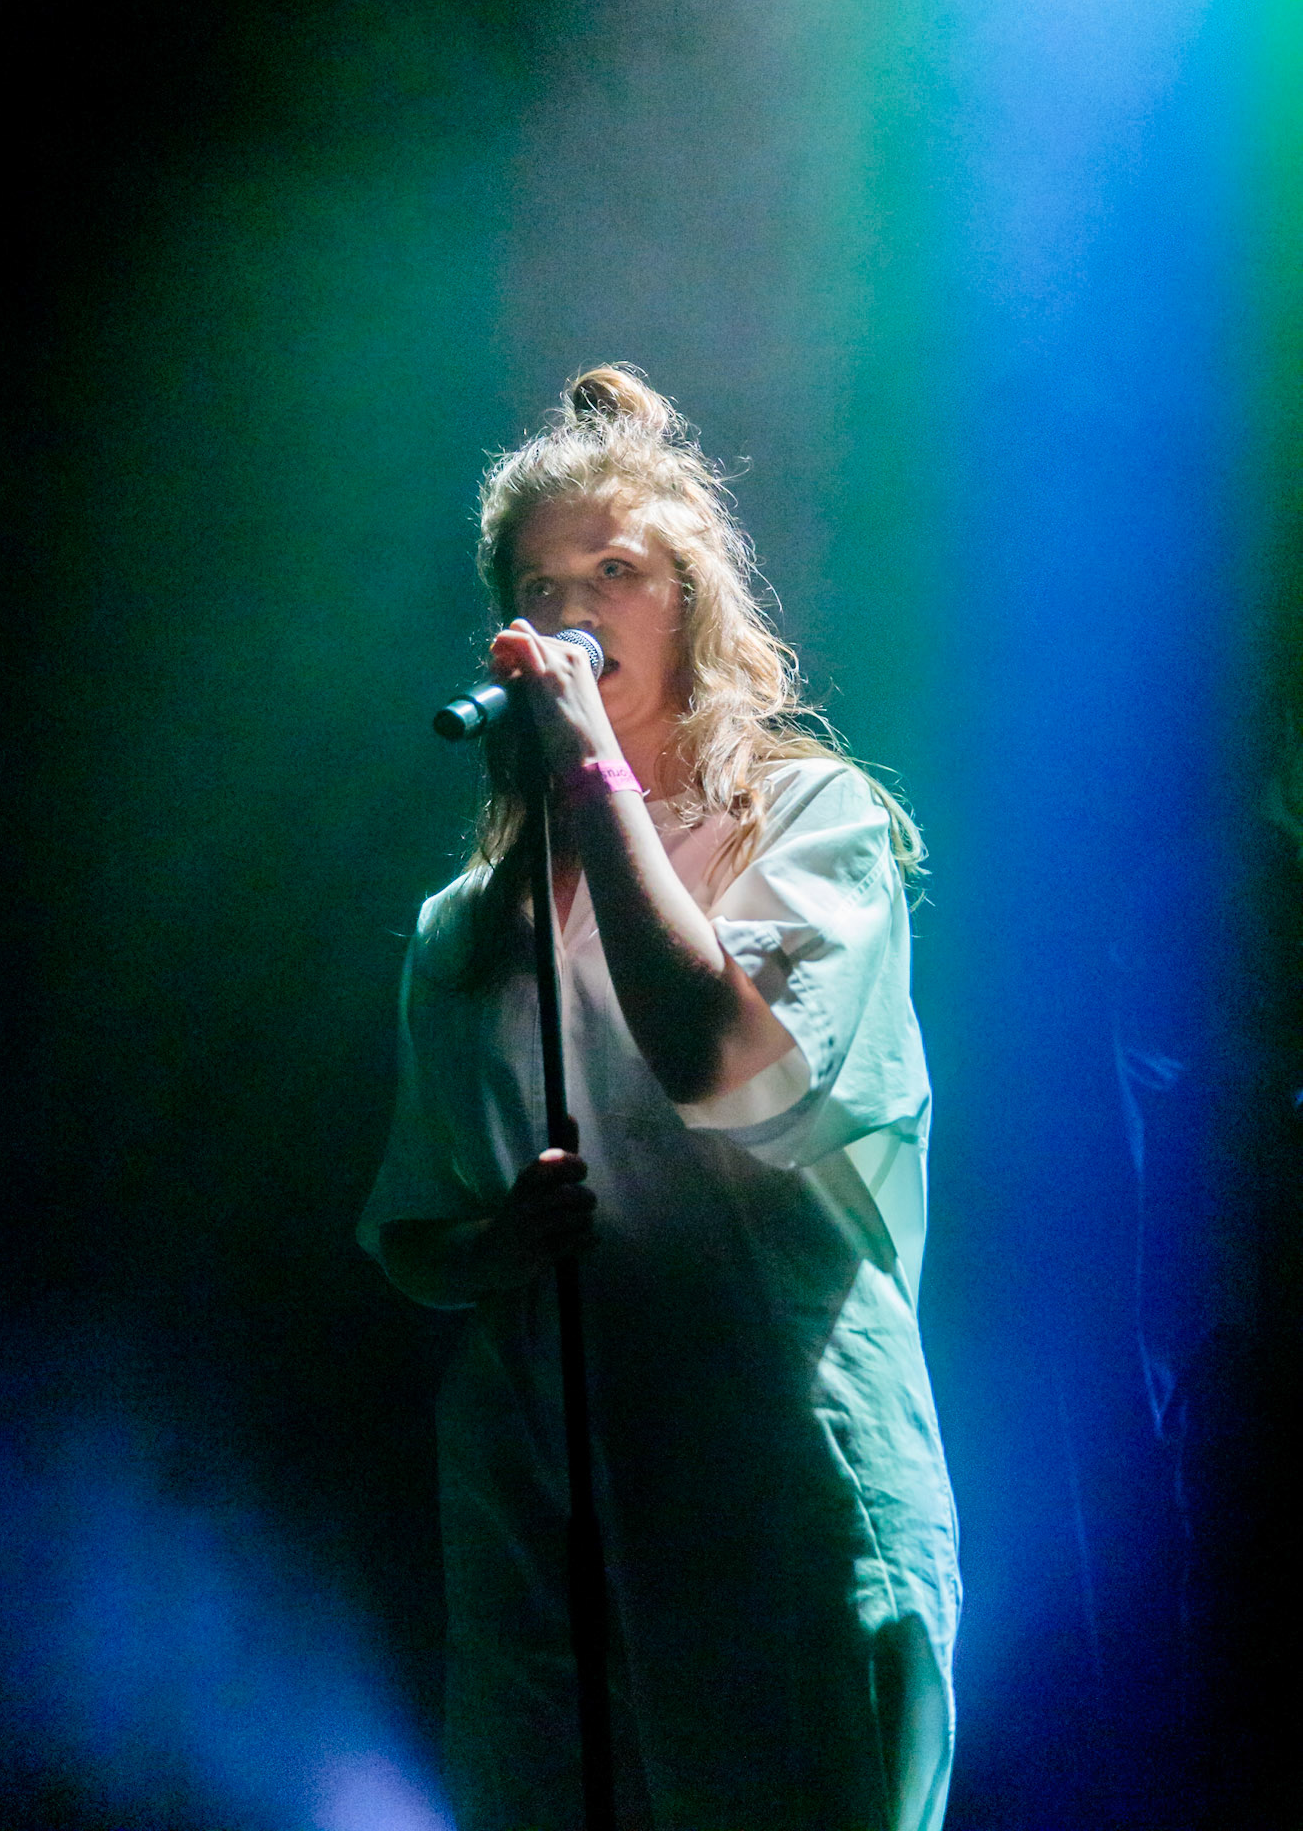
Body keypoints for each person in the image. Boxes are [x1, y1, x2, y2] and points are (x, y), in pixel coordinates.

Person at [359, 367, 961, 1831]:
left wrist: (590, 779)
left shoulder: (804, 823)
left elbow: (734, 1075)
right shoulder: (465, 928)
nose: (569, 609)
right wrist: (499, 1242)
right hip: (541, 1496)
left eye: (612, 572)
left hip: (773, 1462)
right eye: (536, 587)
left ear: (690, 602)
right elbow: (416, 1228)